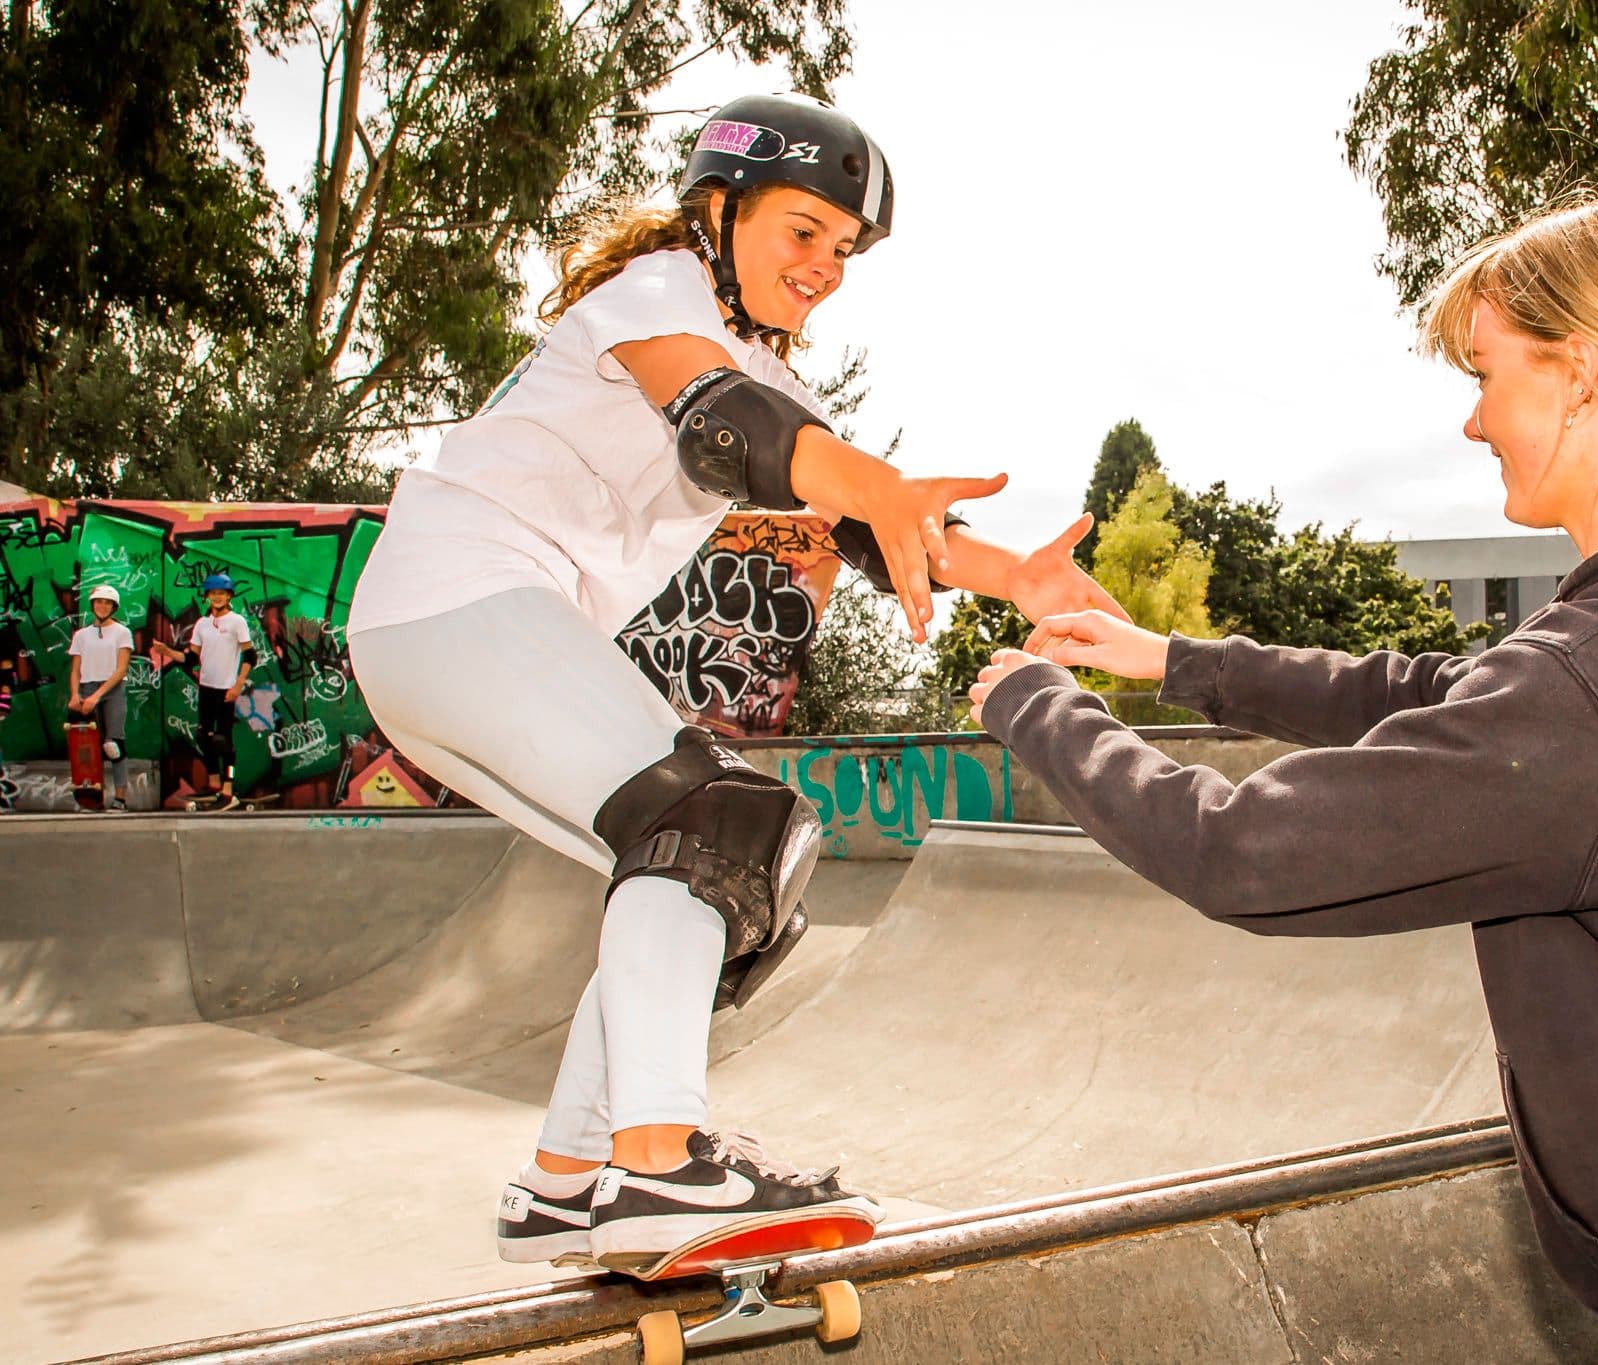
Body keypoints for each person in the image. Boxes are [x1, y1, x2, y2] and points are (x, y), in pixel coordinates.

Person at [970, 194, 1598, 1361]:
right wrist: (1170, 661)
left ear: (1580, 373)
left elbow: (1245, 851)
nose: (1472, 422)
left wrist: (1031, 705)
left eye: (1485, 375)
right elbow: (1431, 695)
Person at [345, 93, 1123, 1280]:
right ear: (720, 205)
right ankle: (659, 1166)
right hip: (458, 596)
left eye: (845, 252)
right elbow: (728, 431)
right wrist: (858, 477)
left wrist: (1009, 572)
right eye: (803, 232)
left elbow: (853, 515)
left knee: (735, 863)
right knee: (704, 819)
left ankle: (568, 1178)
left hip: (463, 635)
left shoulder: (757, 364)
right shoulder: (658, 289)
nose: (826, 268)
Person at [156, 573, 255, 811]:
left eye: (221, 593)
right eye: (213, 594)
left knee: (225, 742)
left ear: (229, 595)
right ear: (208, 596)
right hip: (206, 688)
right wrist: (168, 652)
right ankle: (213, 785)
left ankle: (228, 789)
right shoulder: (202, 624)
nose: (217, 597)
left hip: (226, 689)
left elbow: (250, 654)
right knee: (205, 737)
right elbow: (191, 658)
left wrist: (238, 684)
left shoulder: (237, 621)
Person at [67, 585, 134, 811]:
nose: (102, 606)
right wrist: (76, 695)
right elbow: (76, 669)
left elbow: (121, 669)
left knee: (113, 744)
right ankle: (89, 795)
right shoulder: (81, 635)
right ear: (93, 605)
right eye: (99, 602)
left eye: (107, 603)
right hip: (86, 688)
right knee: (85, 746)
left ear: (113, 606)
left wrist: (97, 696)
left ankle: (120, 798)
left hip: (111, 689)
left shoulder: (122, 632)